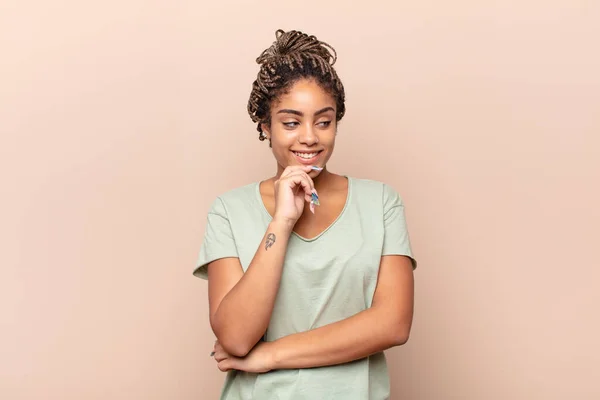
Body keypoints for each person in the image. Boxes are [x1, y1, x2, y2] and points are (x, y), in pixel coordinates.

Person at [193, 29, 417, 400]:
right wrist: (282, 221)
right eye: (291, 122)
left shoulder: (380, 203)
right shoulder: (229, 211)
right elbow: (234, 336)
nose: (310, 137)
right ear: (265, 127)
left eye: (324, 121)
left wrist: (272, 355)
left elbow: (393, 324)